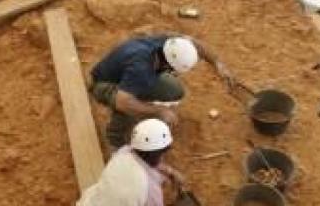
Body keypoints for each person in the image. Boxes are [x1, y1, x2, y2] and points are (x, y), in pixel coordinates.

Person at [89, 33, 232, 148]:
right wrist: (159, 110)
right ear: (168, 66)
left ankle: (141, 103)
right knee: (130, 105)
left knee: (174, 90)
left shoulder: (167, 44)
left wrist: (217, 63)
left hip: (127, 75)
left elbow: (194, 43)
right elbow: (123, 102)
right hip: (103, 84)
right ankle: (115, 138)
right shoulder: (141, 70)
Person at [77, 118, 185, 206]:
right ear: (162, 152)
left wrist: (171, 172)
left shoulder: (124, 153)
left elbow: (148, 161)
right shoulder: (150, 191)